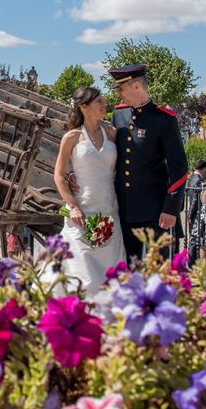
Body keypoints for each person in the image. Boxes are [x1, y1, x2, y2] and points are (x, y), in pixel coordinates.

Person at [49, 86, 126, 297]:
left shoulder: (111, 133)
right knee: (82, 274)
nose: (104, 105)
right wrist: (73, 206)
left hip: (110, 212)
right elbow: (58, 175)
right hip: (81, 213)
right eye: (99, 102)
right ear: (84, 107)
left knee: (111, 275)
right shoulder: (72, 137)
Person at [108, 64, 189, 262]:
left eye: (121, 89)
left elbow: (179, 167)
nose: (119, 94)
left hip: (156, 211)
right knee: (130, 270)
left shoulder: (164, 119)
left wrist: (171, 208)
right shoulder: (119, 114)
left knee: (159, 272)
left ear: (136, 86)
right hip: (126, 208)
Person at [186, 159, 206, 264]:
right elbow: (195, 200)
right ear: (203, 168)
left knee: (194, 238)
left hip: (192, 211)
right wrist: (190, 214)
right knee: (196, 240)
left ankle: (192, 262)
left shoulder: (191, 178)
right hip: (197, 212)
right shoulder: (199, 181)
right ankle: (192, 263)